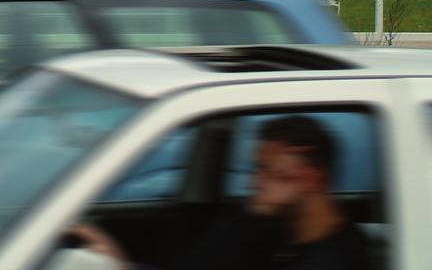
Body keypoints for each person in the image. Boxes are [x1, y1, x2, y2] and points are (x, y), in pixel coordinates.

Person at [67, 115, 372, 270]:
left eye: (266, 169)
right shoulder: (270, 234)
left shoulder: (338, 260)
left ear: (309, 175)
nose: (254, 182)